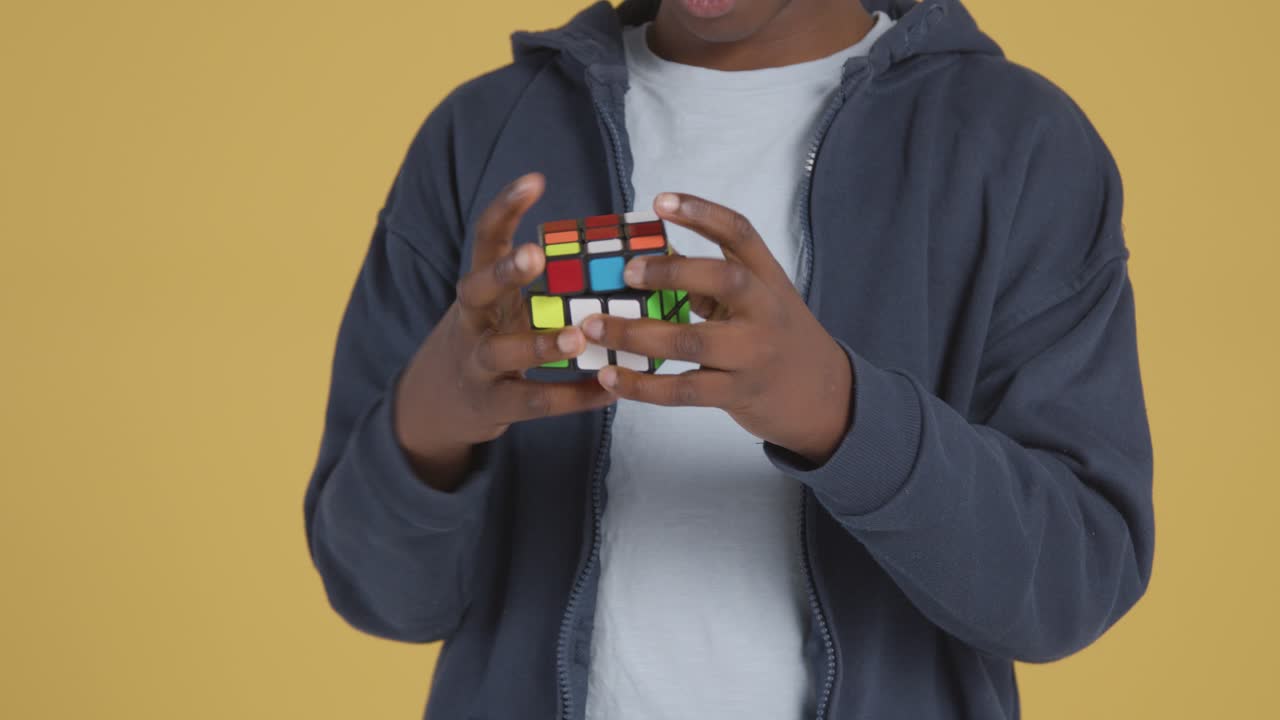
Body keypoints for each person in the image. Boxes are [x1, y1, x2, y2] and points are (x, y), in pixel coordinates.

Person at [302, 0, 1155, 718]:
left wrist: (840, 412)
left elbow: (1069, 589)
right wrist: (431, 421)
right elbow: (381, 595)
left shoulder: (1017, 143)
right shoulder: (486, 133)